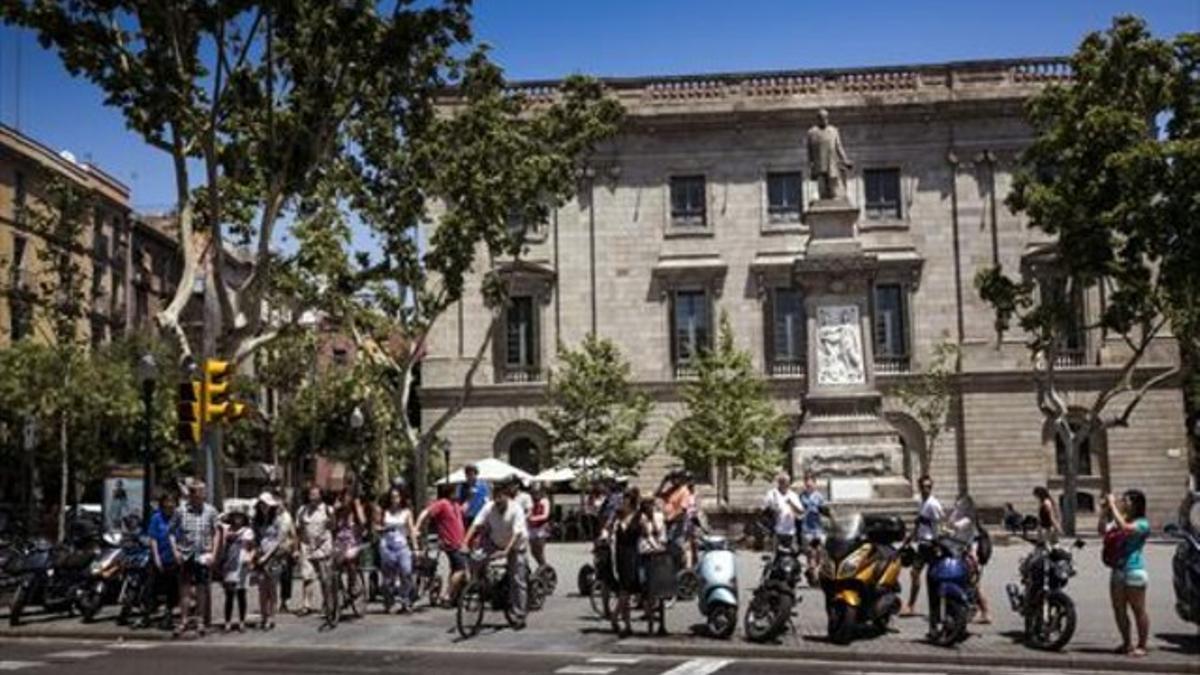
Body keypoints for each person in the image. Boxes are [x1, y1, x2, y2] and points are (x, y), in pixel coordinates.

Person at [462, 479, 529, 629]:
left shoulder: (516, 509)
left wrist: (506, 551)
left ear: (507, 496)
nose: (497, 500)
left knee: (517, 578)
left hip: (515, 545)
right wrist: (464, 543)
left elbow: (517, 533)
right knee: (476, 557)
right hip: (495, 542)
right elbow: (476, 524)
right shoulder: (489, 507)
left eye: (500, 497)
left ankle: (520, 613)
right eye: (495, 497)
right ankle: (479, 585)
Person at [1099, 489, 1152, 657]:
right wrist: (1104, 511)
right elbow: (1102, 530)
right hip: (1117, 570)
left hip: (1134, 570)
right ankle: (1127, 643)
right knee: (1119, 609)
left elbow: (1126, 528)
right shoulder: (1119, 518)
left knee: (1138, 609)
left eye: (1126, 500)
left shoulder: (1143, 523)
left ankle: (1142, 645)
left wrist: (1113, 505)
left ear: (1136, 504)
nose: (1123, 503)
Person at [170, 479, 219, 638]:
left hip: (203, 554)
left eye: (199, 492)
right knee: (184, 588)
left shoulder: (210, 511)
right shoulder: (181, 511)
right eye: (194, 492)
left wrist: (214, 552)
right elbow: (171, 531)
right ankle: (184, 620)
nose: (197, 496)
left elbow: (217, 531)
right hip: (186, 553)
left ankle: (200, 620)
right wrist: (175, 551)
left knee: (201, 589)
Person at [415, 484, 468, 605]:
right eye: (455, 491)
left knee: (457, 570)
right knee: (461, 569)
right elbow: (426, 512)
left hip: (459, 543)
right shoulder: (442, 503)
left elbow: (464, 510)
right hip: (451, 543)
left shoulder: (454, 505)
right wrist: (417, 526)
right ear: (450, 492)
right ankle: (447, 595)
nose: (457, 493)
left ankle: (455, 597)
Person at [901, 475, 943, 618]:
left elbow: (939, 526)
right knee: (915, 573)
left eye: (929, 486)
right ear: (919, 487)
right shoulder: (922, 503)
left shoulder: (933, 504)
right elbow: (919, 523)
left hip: (932, 545)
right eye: (924, 486)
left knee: (935, 577)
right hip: (923, 544)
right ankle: (911, 606)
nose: (927, 489)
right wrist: (910, 538)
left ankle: (937, 608)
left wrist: (938, 544)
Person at [608, 487, 642, 638]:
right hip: (620, 555)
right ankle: (625, 623)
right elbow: (608, 531)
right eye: (624, 497)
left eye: (627, 498)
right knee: (624, 591)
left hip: (633, 555)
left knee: (626, 592)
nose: (624, 500)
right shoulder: (617, 516)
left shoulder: (639, 516)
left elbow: (648, 532)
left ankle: (616, 617)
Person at [295, 485, 333, 616]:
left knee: (324, 577)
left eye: (316, 494)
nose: (313, 496)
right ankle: (306, 605)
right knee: (307, 577)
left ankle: (327, 604)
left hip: (323, 547)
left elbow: (332, 527)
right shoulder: (302, 510)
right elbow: (298, 530)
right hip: (307, 546)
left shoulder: (327, 510)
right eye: (311, 494)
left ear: (321, 495)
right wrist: (297, 548)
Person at [376, 486, 416, 613]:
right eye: (392, 497)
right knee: (388, 578)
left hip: (402, 547)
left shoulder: (406, 512)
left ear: (401, 498)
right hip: (387, 547)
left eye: (397, 497)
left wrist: (415, 547)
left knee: (406, 572)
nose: (395, 500)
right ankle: (389, 601)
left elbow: (411, 530)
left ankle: (405, 600)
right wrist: (382, 529)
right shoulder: (384, 512)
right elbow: (376, 526)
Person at [252, 492, 287, 630]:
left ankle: (272, 616)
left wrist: (267, 555)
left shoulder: (277, 520)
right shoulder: (256, 521)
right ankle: (263, 616)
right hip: (260, 556)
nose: (263, 507)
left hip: (273, 557)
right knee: (262, 589)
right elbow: (254, 538)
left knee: (272, 588)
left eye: (266, 504)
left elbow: (279, 540)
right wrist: (257, 553)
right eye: (261, 504)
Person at [146, 492, 180, 629]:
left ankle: (169, 613)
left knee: (172, 587)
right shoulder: (156, 518)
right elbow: (153, 538)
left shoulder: (178, 517)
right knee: (153, 586)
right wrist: (157, 558)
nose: (170, 505)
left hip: (173, 558)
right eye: (167, 502)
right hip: (159, 556)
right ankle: (149, 614)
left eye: (172, 502)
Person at [218, 506, 252, 632]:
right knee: (229, 595)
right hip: (229, 564)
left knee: (242, 595)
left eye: (240, 516)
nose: (238, 519)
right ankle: (227, 622)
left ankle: (241, 622)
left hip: (242, 564)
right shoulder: (226, 530)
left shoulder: (247, 531)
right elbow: (218, 520)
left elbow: (252, 546)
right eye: (235, 516)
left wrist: (250, 558)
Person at [333, 486, 368, 600]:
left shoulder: (356, 511)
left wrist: (357, 507)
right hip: (339, 541)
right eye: (343, 497)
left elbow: (363, 521)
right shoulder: (339, 512)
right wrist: (334, 510)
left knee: (350, 558)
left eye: (348, 497)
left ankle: (352, 585)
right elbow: (332, 526)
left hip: (353, 541)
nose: (345, 499)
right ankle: (334, 594)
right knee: (331, 563)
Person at [762, 472, 804, 548]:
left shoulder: (793, 495)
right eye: (783, 482)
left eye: (788, 483)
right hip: (776, 531)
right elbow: (764, 510)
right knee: (776, 556)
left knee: (790, 556)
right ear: (779, 483)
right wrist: (772, 510)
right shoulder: (772, 494)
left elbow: (801, 512)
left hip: (790, 531)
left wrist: (791, 504)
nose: (786, 485)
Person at [798, 473, 827, 580]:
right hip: (807, 529)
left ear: (815, 484)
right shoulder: (802, 496)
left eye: (810, 483)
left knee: (820, 551)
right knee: (811, 552)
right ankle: (813, 574)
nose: (808, 485)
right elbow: (798, 510)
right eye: (806, 483)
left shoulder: (819, 496)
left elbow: (824, 510)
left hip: (818, 529)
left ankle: (816, 571)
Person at [274, 487, 298, 614]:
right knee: (272, 578)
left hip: (285, 550)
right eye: (276, 499)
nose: (278, 503)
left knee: (286, 578)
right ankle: (271, 602)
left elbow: (293, 534)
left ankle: (284, 602)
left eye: (280, 500)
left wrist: (295, 550)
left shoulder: (287, 516)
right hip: (272, 551)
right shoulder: (270, 516)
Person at [527, 483, 553, 571]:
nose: (535, 494)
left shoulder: (544, 501)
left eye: (536, 492)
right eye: (533, 493)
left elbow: (545, 515)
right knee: (533, 551)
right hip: (531, 528)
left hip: (541, 528)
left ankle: (544, 566)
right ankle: (542, 565)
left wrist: (533, 518)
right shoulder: (530, 501)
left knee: (539, 550)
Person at [457, 464, 491, 528]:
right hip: (466, 517)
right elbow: (458, 501)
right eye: (468, 474)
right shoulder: (462, 487)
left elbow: (487, 500)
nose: (470, 477)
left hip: (480, 516)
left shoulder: (483, 485)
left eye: (471, 474)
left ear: (476, 474)